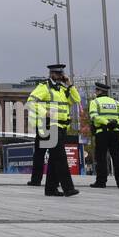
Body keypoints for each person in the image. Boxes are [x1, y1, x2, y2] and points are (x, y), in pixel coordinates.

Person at [26, 63, 79, 197]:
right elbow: (31, 102)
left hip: (61, 126)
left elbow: (76, 99)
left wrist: (70, 85)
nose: (61, 76)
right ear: (52, 74)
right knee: (60, 158)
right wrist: (45, 113)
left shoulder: (63, 89)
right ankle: (68, 188)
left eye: (62, 74)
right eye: (58, 74)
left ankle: (50, 189)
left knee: (55, 158)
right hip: (48, 125)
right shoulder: (44, 87)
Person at [88, 81, 119, 189]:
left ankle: (101, 182)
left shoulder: (95, 102)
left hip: (102, 133)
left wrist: (106, 122)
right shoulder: (116, 103)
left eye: (96, 90)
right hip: (115, 133)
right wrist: (116, 123)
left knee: (101, 158)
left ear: (99, 91)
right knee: (117, 158)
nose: (95, 92)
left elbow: (94, 116)